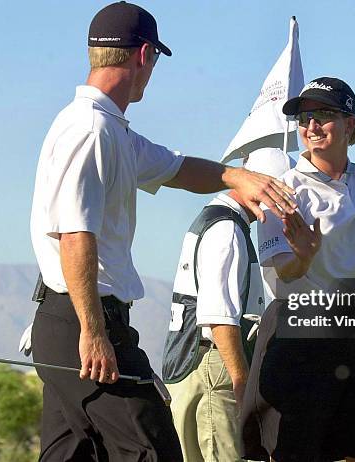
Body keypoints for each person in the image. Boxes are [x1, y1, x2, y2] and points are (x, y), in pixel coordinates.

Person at [28, 2, 296, 461]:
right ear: (144, 55)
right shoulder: (90, 130)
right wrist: (93, 331)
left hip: (70, 318)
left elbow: (176, 168)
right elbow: (74, 234)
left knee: (70, 453)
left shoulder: (110, 129)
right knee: (153, 449)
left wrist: (236, 177)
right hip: (87, 322)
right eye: (153, 63)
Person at [240, 77, 355, 462]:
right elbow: (280, 276)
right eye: (305, 118)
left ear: (350, 124)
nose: (311, 126)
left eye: (324, 115)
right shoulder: (282, 190)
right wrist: (304, 257)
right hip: (303, 332)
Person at [161, 187, 265, 462]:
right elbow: (219, 315)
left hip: (192, 363)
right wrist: (241, 381)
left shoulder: (210, 220)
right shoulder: (228, 229)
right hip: (217, 366)